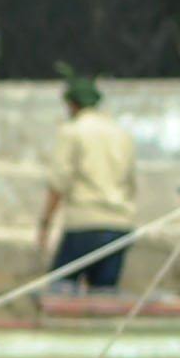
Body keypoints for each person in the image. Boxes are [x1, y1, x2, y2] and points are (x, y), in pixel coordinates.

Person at [39, 69, 139, 292]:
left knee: (61, 290)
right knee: (104, 294)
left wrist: (46, 223)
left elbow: (59, 182)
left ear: (72, 104)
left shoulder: (72, 131)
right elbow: (131, 183)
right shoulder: (121, 133)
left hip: (84, 222)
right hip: (119, 224)